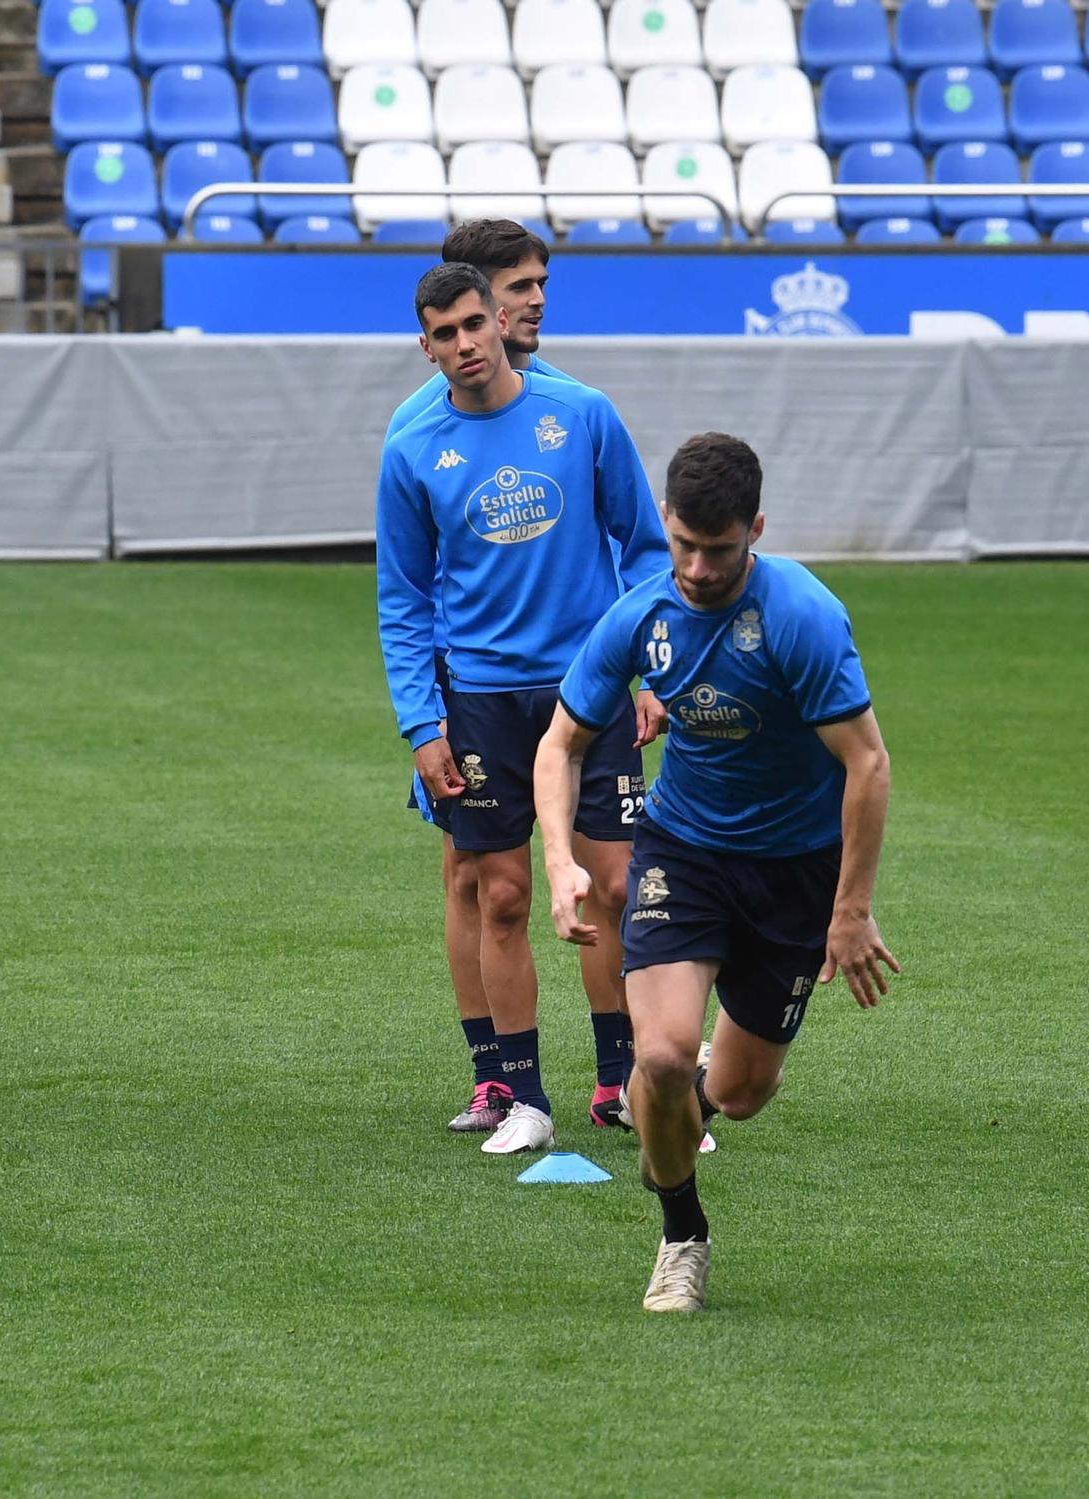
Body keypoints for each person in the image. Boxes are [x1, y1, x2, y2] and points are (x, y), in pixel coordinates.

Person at [534, 432, 898, 1312]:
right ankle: (682, 1237)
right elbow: (561, 744)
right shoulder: (640, 616)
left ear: (757, 530)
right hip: (684, 852)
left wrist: (849, 910)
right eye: (684, 544)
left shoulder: (801, 617)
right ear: (665, 523)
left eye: (720, 549)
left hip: (794, 873)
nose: (697, 568)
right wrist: (560, 862)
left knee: (736, 1093)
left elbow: (869, 763)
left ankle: (685, 1091)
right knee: (657, 1056)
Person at [376, 262, 667, 1158]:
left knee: (617, 886)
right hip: (483, 702)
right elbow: (403, 597)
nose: (465, 344)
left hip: (590, 688)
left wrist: (653, 666)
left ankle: (621, 1083)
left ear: (498, 324)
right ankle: (525, 1098)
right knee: (500, 894)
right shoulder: (412, 448)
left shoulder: (581, 415)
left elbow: (648, 546)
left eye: (475, 324)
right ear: (424, 346)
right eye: (444, 333)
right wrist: (423, 725)